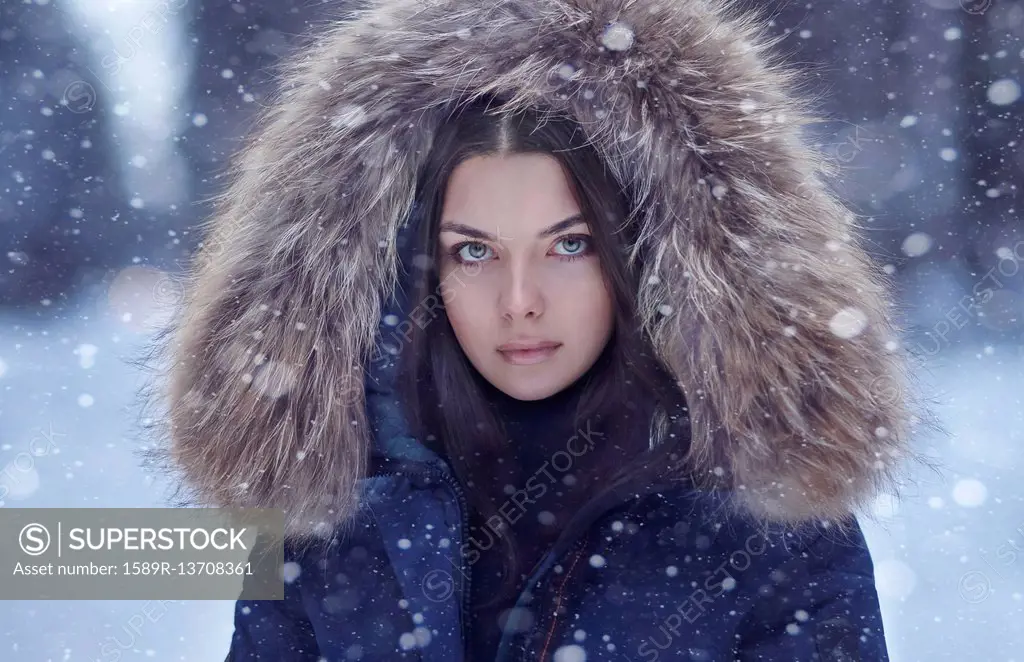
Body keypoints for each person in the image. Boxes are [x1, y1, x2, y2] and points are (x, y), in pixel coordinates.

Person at [147, 0, 928, 659]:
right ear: (412, 268)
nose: (520, 300)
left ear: (646, 257)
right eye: (474, 251)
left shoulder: (769, 514)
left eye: (570, 244)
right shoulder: (329, 504)